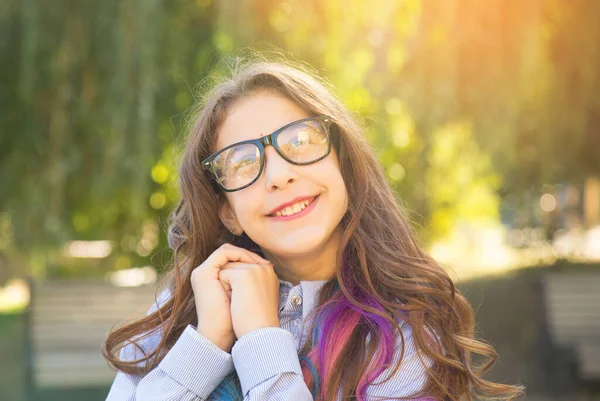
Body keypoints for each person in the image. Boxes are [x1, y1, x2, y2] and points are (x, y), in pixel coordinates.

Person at [102, 53, 524, 401]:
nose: (279, 175)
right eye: (243, 162)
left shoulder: (408, 332)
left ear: (342, 160)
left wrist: (261, 339)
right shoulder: (187, 308)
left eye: (300, 142)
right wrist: (207, 341)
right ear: (226, 210)